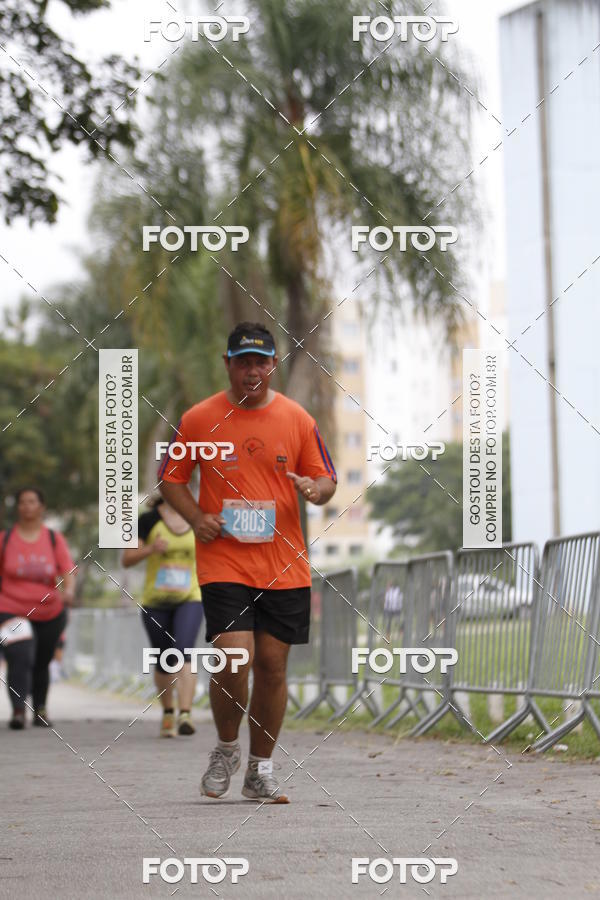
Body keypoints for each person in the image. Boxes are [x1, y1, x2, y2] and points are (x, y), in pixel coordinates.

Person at [159, 321, 337, 803]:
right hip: (224, 563)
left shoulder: (298, 420)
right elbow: (171, 479)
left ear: (273, 366)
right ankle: (224, 748)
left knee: (274, 668)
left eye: (261, 361)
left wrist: (313, 490)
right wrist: (197, 518)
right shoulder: (198, 419)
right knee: (235, 659)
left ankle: (260, 770)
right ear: (228, 364)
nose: (252, 370)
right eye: (243, 361)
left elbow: (326, 482)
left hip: (284, 565)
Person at [123, 496, 203, 737]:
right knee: (164, 660)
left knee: (183, 652)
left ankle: (185, 714)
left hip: (190, 597)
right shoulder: (148, 520)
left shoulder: (197, 516)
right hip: (155, 602)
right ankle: (168, 712)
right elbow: (126, 559)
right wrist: (150, 549)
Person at [0, 488, 75, 729]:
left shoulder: (53, 538)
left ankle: (40, 709)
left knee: (42, 660)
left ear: (41, 507)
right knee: (19, 654)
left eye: (32, 502)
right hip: (11, 607)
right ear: (18, 508)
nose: (26, 506)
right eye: (22, 502)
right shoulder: (6, 539)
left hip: (49, 611)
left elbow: (67, 570)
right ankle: (18, 710)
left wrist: (69, 591)